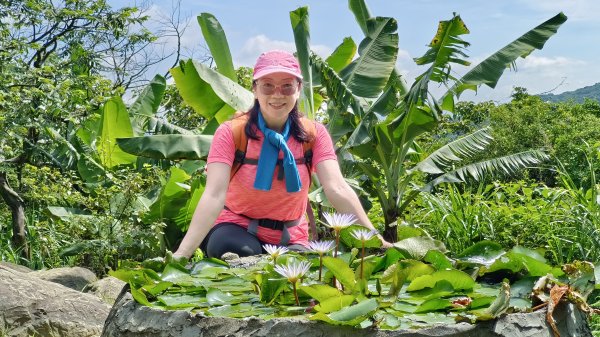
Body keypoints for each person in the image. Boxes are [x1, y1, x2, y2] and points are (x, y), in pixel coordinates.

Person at [173, 50, 392, 259]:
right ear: (255, 89)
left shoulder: (314, 134)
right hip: (237, 229)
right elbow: (213, 195)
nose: (277, 94)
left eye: (287, 86)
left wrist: (374, 239)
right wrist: (182, 254)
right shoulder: (231, 132)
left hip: (291, 236)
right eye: (268, 86)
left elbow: (337, 188)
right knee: (234, 249)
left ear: (298, 89)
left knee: (301, 272)